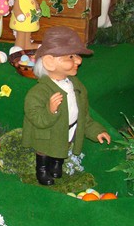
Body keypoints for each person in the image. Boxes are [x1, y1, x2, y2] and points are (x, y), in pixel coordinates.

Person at [22, 27, 111, 186]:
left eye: (76, 55)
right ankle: (42, 170)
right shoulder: (39, 92)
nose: (78, 60)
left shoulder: (77, 87)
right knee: (45, 150)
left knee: (63, 145)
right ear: (50, 62)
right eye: (70, 56)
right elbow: (35, 117)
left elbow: (84, 116)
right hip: (46, 134)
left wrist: (97, 131)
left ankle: (57, 164)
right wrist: (51, 110)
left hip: (68, 129)